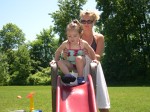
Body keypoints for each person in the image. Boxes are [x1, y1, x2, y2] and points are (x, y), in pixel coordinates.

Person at [79, 10, 110, 112]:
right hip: (79, 69)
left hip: (94, 67)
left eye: (89, 21)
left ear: (94, 22)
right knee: (79, 102)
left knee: (102, 102)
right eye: (83, 21)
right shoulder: (76, 36)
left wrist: (87, 51)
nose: (86, 24)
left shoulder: (99, 37)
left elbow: (98, 56)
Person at [50, 19, 97, 85]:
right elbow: (58, 51)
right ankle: (68, 76)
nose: (72, 38)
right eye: (69, 36)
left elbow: (91, 50)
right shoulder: (66, 44)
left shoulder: (82, 43)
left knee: (78, 58)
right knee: (59, 62)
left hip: (81, 63)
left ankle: (80, 77)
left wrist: (94, 59)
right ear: (67, 36)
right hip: (71, 64)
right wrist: (55, 60)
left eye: (75, 36)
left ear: (80, 34)